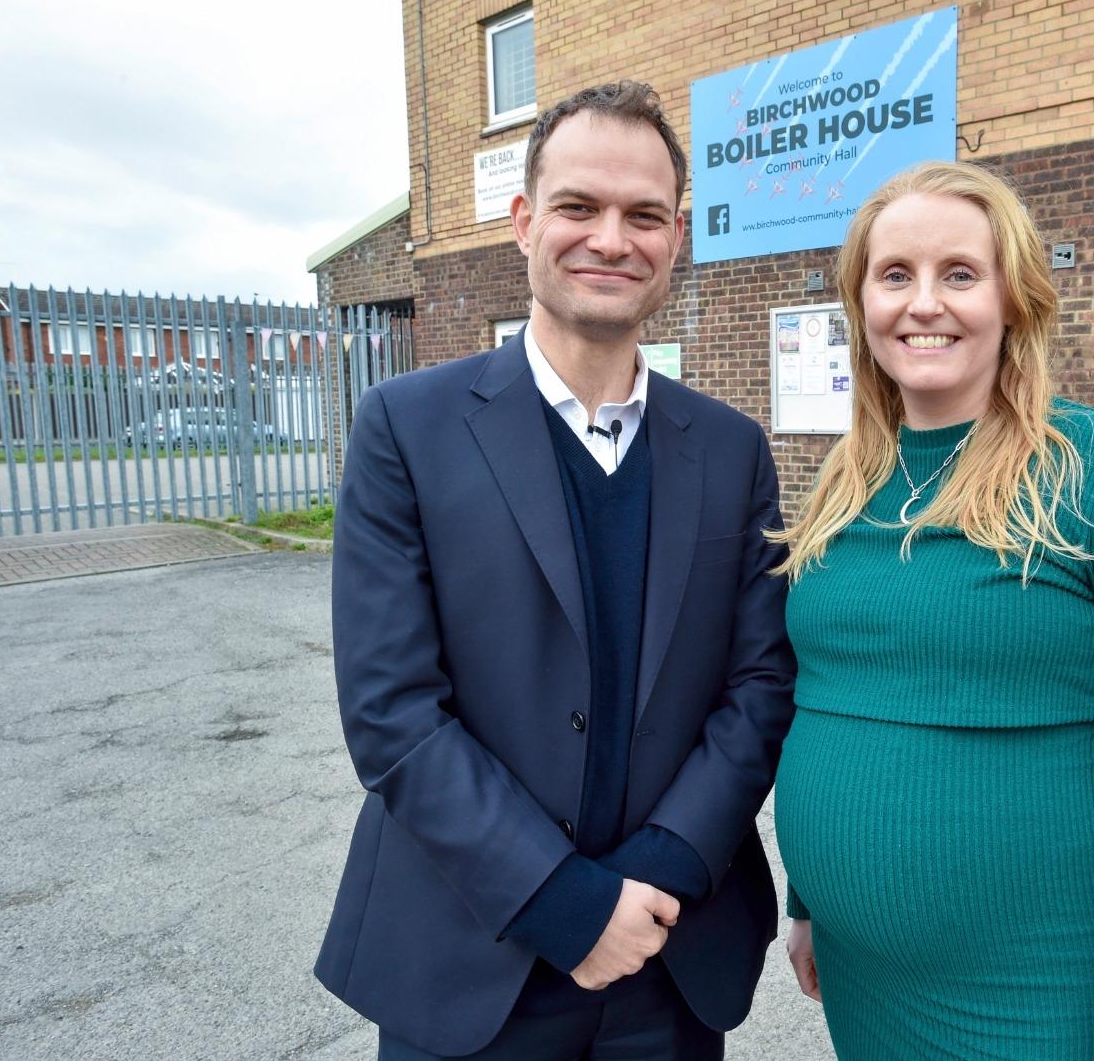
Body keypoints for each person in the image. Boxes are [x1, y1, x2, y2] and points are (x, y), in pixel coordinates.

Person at [314, 81, 796, 1060]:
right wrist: (565, 902)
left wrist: (655, 874)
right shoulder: (406, 429)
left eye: (643, 215)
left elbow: (760, 685)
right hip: (470, 964)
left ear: (675, 237)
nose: (611, 238)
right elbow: (391, 710)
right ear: (524, 221)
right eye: (579, 207)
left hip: (669, 964)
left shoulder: (732, 449)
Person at [772, 160, 1094, 1061]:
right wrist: (809, 899)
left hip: (1035, 986)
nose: (924, 303)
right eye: (895, 275)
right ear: (860, 303)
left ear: (1013, 299)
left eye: (959, 273)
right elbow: (829, 697)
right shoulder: (847, 479)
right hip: (865, 983)